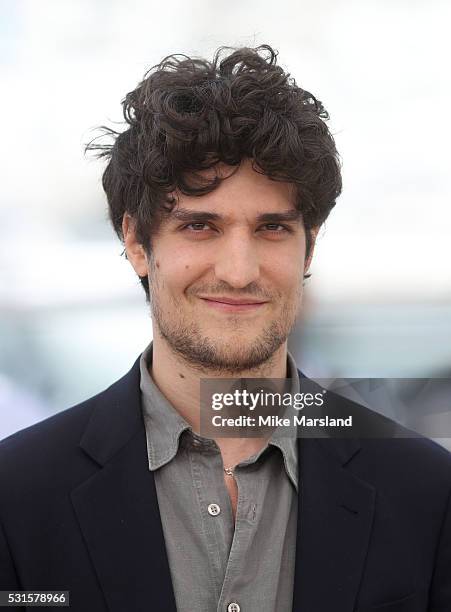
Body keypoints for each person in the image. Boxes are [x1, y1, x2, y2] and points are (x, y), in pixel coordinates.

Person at [0, 45, 450, 612]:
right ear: (137, 243)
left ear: (310, 244)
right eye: (199, 226)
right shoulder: (17, 497)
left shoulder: (425, 492)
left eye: (271, 229)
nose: (239, 271)